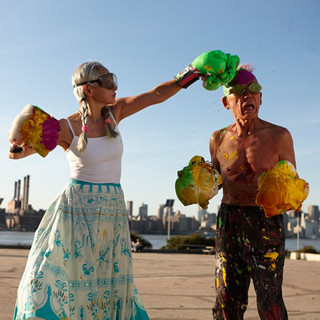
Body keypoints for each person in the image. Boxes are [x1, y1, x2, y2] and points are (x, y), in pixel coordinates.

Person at [8, 59, 202, 320]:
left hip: (111, 210)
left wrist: (193, 72)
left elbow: (156, 95)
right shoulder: (66, 127)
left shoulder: (116, 112)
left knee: (109, 282)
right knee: (61, 276)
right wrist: (19, 142)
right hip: (76, 210)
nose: (115, 86)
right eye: (108, 80)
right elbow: (18, 155)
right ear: (88, 88)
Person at [209, 65, 295, 320]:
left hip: (266, 222)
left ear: (261, 97)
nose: (248, 96)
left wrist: (288, 192)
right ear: (227, 102)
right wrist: (198, 183)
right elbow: (214, 184)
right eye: (239, 91)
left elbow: (292, 181)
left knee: (270, 299)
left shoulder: (279, 136)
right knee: (226, 300)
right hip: (230, 221)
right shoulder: (218, 138)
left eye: (254, 90)